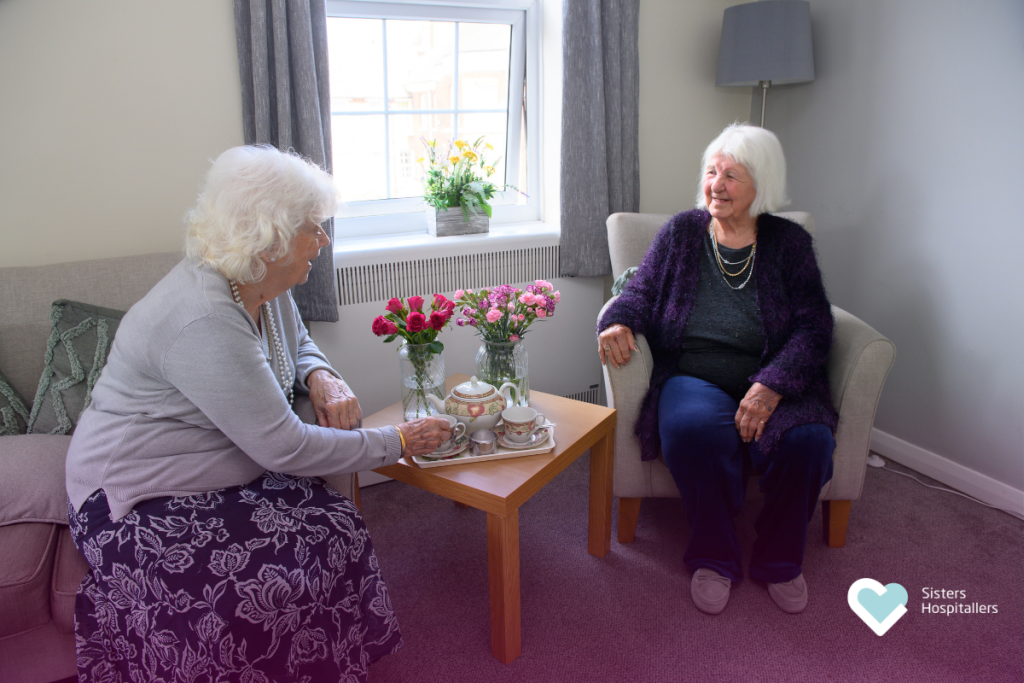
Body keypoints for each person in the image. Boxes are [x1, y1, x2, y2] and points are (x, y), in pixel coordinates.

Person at [65, 145, 450, 682]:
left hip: (214, 467)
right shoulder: (203, 319)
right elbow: (286, 447)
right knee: (244, 592)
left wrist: (321, 374)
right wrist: (399, 441)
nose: (323, 240)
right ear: (269, 238)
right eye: (312, 229)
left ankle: (318, 666)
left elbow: (297, 344)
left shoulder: (258, 282)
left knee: (335, 527)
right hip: (137, 494)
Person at [597, 124, 838, 616]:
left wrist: (772, 384)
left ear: (760, 185)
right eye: (712, 172)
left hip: (775, 377)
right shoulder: (684, 232)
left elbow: (815, 326)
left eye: (732, 175)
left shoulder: (789, 244)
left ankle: (780, 558)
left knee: (809, 441)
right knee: (689, 430)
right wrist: (618, 319)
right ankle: (715, 555)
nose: (717, 184)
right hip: (695, 374)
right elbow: (639, 292)